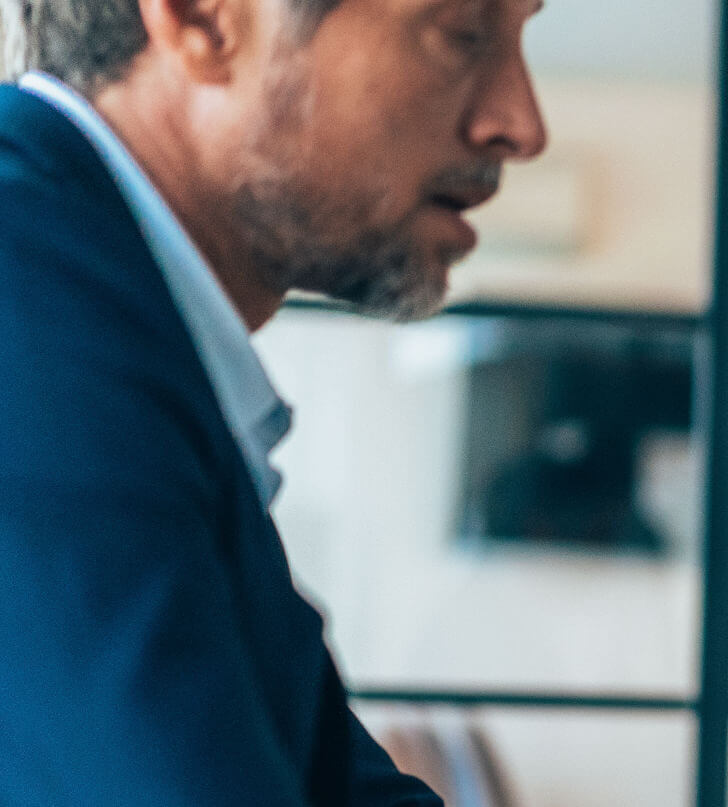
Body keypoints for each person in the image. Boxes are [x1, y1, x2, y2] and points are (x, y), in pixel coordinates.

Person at [0, 0, 544, 803]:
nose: (521, 123)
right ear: (205, 19)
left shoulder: (100, 307)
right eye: (462, 32)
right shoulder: (33, 312)